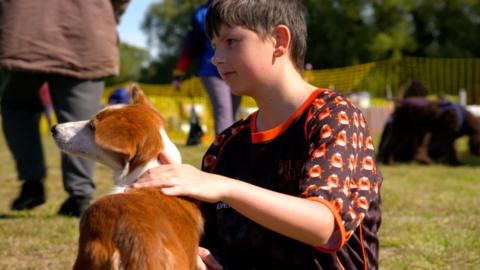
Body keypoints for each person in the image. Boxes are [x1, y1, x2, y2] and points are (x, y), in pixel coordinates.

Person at [132, 0, 383, 269]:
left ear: (278, 40)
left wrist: (225, 187)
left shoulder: (335, 117)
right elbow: (205, 238)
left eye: (231, 41)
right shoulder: (227, 144)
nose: (216, 58)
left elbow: (323, 224)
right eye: (215, 45)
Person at [0, 0, 130, 217]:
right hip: (86, 31)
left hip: (21, 29)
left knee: (17, 108)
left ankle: (31, 183)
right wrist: (109, 12)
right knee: (82, 119)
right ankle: (79, 195)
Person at [173, 0, 241, 135]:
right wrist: (178, 74)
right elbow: (188, 46)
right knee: (223, 110)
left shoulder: (238, 8)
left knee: (234, 112)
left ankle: (237, 150)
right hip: (210, 70)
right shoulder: (201, 14)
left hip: (236, 67)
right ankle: (223, 153)